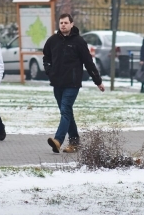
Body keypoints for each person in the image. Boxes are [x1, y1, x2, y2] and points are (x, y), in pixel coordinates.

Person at [42, 13, 105, 154]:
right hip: (57, 83)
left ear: (72, 24)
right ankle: (75, 142)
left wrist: (98, 81)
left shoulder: (79, 42)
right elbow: (46, 57)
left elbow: (89, 63)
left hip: (72, 83)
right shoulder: (52, 40)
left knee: (65, 110)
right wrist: (49, 71)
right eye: (61, 23)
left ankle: (58, 140)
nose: (63, 25)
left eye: (65, 23)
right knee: (67, 112)